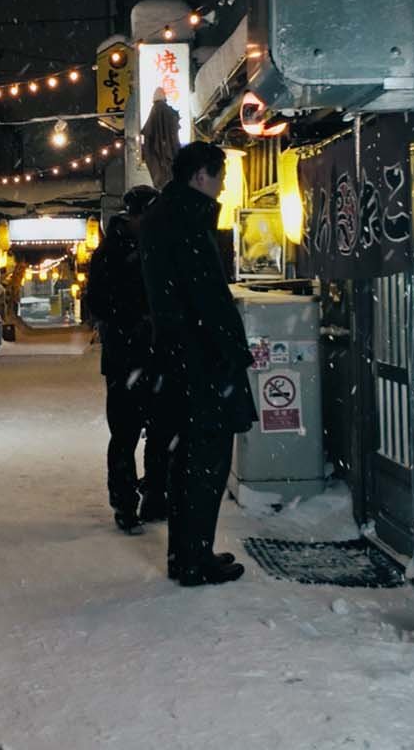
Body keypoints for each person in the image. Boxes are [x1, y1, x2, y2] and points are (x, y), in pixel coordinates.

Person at [140, 141, 255, 587]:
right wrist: (231, 352)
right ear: (199, 176)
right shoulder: (186, 220)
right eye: (219, 176)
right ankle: (194, 558)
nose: (222, 186)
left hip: (180, 359)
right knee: (204, 462)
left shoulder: (163, 216)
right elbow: (207, 297)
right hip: (201, 361)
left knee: (189, 460)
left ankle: (187, 554)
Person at [84, 185, 168, 534]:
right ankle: (124, 504)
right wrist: (133, 321)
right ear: (135, 215)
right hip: (124, 358)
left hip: (157, 357)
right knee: (125, 434)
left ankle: (154, 497)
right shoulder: (110, 253)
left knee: (161, 431)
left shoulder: (157, 247)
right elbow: (97, 304)